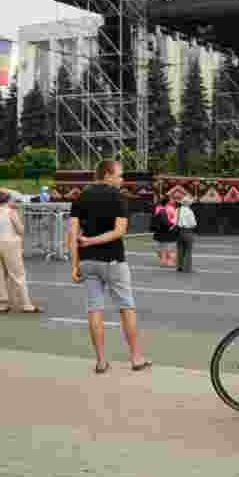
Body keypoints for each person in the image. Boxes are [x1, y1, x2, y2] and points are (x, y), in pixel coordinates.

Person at [70, 160, 151, 374]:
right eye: (119, 175)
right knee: (126, 308)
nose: (122, 179)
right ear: (107, 174)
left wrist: (74, 264)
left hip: (87, 262)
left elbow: (72, 234)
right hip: (113, 259)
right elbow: (119, 231)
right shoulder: (118, 196)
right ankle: (135, 358)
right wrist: (93, 241)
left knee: (94, 309)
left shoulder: (80, 196)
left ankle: (101, 361)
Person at [0, 192, 40, 314]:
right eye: (13, 200)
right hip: (10, 244)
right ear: (8, 200)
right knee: (18, 274)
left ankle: (3, 304)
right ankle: (26, 304)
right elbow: (21, 230)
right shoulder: (11, 212)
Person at [151, 196, 179, 268]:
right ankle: (170, 261)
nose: (173, 201)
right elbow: (175, 219)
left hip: (159, 230)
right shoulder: (171, 209)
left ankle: (163, 260)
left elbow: (155, 219)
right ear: (168, 202)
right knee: (169, 247)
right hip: (169, 230)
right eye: (171, 200)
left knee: (160, 247)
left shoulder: (158, 208)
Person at [173, 194, 197, 273]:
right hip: (187, 231)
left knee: (180, 250)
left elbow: (174, 222)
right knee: (188, 250)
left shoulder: (177, 210)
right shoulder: (190, 211)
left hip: (178, 231)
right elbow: (193, 224)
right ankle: (187, 268)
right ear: (188, 203)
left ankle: (179, 267)